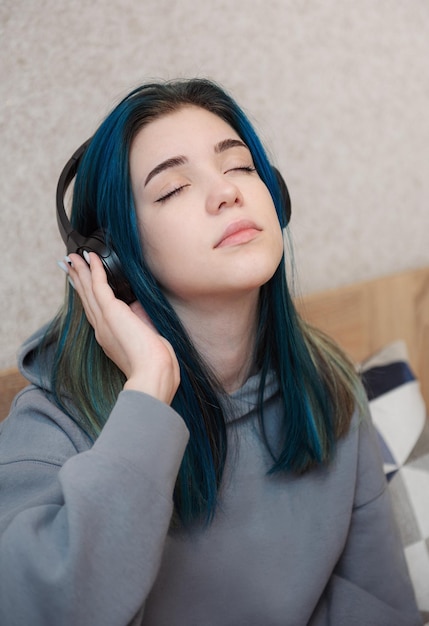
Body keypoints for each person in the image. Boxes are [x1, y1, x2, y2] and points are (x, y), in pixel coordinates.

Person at [0, 79, 421, 626]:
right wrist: (149, 387)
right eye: (172, 187)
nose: (227, 192)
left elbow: (383, 607)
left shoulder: (328, 386)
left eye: (241, 167)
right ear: (110, 263)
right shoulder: (48, 432)